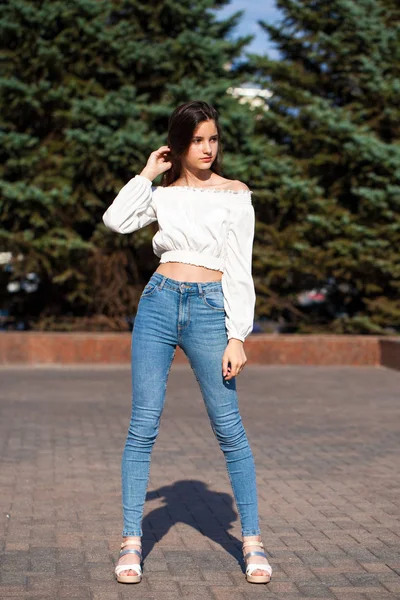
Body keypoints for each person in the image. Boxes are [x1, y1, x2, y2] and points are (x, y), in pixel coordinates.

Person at [102, 100, 272, 585]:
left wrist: (238, 334)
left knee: (229, 427)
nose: (207, 149)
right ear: (178, 145)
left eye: (213, 139)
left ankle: (253, 541)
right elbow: (116, 221)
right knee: (143, 425)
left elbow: (240, 267)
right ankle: (131, 542)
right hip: (158, 302)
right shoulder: (164, 194)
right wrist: (146, 174)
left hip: (209, 309)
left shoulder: (236, 194)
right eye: (197, 140)